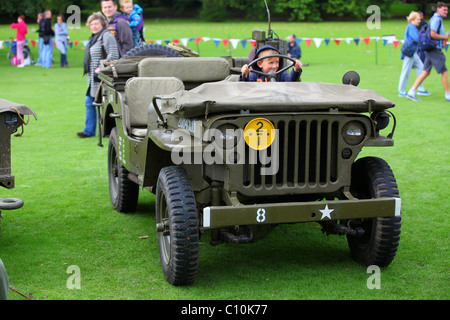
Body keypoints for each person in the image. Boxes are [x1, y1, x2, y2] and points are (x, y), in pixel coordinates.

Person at [78, 13, 119, 138]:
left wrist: (101, 67)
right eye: (91, 24)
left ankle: (106, 131)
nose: (94, 26)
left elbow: (114, 55)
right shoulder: (94, 38)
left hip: (103, 78)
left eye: (96, 23)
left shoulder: (106, 36)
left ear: (102, 24)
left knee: (104, 106)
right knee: (89, 102)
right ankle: (89, 131)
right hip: (93, 80)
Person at [407, 2, 450, 102]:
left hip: (430, 49)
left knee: (425, 72)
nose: (446, 12)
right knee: (444, 71)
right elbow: (432, 34)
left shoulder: (435, 19)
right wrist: (444, 37)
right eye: (444, 10)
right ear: (438, 9)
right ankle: (448, 95)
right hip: (434, 49)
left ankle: (411, 91)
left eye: (447, 10)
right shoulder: (437, 19)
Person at [398, 11, 430, 97]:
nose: (420, 21)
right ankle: (401, 91)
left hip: (413, 52)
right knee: (406, 72)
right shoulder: (411, 26)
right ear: (412, 19)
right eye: (418, 19)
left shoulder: (413, 27)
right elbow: (416, 38)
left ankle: (420, 89)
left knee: (421, 68)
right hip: (409, 52)